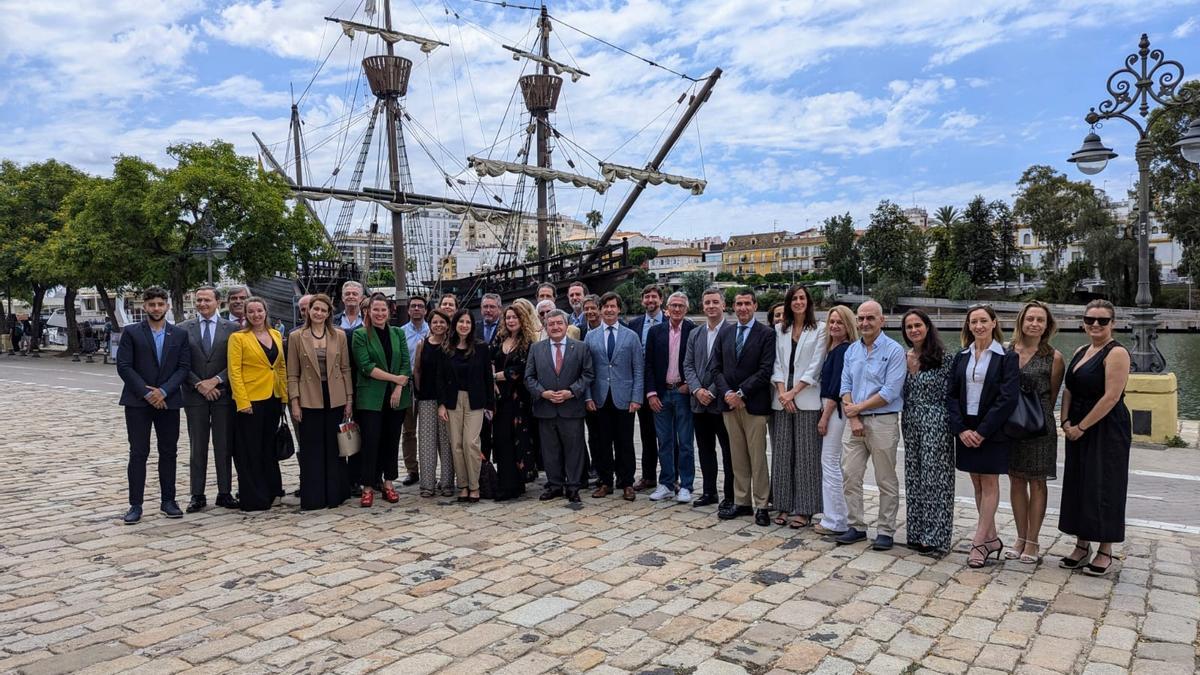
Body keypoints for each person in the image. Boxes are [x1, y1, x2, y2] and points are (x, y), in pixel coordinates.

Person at [1058, 300, 1131, 576]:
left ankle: (1105, 549)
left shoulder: (1117, 353)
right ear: (1083, 323)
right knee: (1080, 483)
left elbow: (1111, 397)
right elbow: (1069, 388)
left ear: (1113, 323)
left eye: (1102, 320)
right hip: (1077, 422)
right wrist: (1065, 421)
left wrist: (1082, 427)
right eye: (1090, 320)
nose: (1095, 325)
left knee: (1104, 484)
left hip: (1106, 426)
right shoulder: (1081, 350)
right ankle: (1081, 544)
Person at [947, 304, 1019, 567]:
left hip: (992, 429)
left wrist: (982, 431)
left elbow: (1008, 398)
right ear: (968, 326)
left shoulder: (1007, 357)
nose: (978, 326)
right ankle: (991, 538)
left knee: (989, 483)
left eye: (983, 321)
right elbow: (951, 395)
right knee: (977, 483)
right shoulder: (961, 356)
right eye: (973, 322)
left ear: (993, 323)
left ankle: (978, 542)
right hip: (966, 427)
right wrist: (961, 429)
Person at [835, 300, 906, 550]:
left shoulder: (895, 351)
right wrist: (854, 416)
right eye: (861, 318)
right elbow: (845, 385)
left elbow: (890, 391)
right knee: (850, 475)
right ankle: (856, 526)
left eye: (870, 318)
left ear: (881, 320)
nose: (865, 323)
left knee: (885, 478)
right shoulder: (851, 351)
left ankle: (885, 530)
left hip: (882, 421)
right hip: (854, 422)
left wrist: (858, 408)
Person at [116, 287, 191, 524]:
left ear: (167, 306)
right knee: (138, 452)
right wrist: (147, 393)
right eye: (152, 304)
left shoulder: (179, 334)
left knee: (169, 452)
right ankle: (135, 504)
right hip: (138, 402)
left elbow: (183, 368)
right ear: (144, 306)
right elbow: (124, 366)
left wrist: (164, 391)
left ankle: (168, 501)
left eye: (160, 304)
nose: (156, 308)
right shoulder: (131, 332)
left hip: (168, 401)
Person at [710, 290, 775, 526]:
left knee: (757, 458)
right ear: (733, 307)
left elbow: (765, 370)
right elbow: (715, 367)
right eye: (739, 304)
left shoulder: (766, 334)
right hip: (729, 404)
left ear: (755, 306)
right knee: (737, 456)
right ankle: (742, 501)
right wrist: (727, 393)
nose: (743, 308)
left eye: (747, 303)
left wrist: (741, 393)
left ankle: (762, 505)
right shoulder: (725, 333)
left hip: (753, 404)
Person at [1007, 301, 1065, 564]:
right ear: (1021, 321)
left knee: (1038, 482)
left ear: (1047, 325)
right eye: (1030, 318)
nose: (1034, 324)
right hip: (1011, 425)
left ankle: (1033, 541)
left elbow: (1052, 395)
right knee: (1016, 480)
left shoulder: (1054, 357)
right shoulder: (1007, 351)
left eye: (1040, 320)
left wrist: (1035, 416)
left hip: (1040, 427)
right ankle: (1020, 537)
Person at [286, 294, 353, 510]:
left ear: (329, 313)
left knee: (334, 447)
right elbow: (292, 373)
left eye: (323, 310)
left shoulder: (339, 335)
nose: (319, 313)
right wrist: (294, 402)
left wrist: (349, 399)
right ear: (309, 311)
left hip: (335, 395)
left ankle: (335, 493)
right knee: (312, 447)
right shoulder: (297, 336)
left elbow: (345, 368)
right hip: (309, 396)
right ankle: (314, 496)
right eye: (316, 309)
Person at [770, 285, 827, 528]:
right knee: (782, 455)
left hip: (807, 398)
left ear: (808, 302)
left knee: (807, 456)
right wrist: (784, 393)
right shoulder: (779, 330)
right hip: (781, 398)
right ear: (788, 302)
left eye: (802, 298)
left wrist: (794, 392)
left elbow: (816, 365)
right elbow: (776, 364)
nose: (798, 302)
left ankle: (805, 509)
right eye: (794, 298)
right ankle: (783, 505)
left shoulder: (820, 329)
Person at [899, 309, 955, 557]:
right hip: (910, 419)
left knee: (935, 479)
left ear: (928, 327)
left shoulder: (943, 358)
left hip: (936, 420)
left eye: (918, 325)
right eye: (909, 326)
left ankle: (935, 536)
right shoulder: (903, 357)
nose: (914, 330)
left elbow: (952, 394)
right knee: (913, 476)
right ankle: (916, 532)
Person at [179, 285, 240, 512]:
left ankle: (224, 492)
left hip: (223, 395)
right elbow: (181, 363)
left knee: (224, 445)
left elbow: (236, 362)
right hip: (195, 396)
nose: (202, 304)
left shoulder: (233, 329)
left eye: (207, 300)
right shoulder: (183, 329)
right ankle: (197, 494)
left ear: (218, 302)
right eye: (199, 300)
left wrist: (216, 380)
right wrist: (199, 384)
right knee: (198, 446)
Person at [526, 309, 594, 502]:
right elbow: (529, 377)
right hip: (545, 408)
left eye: (559, 323)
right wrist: (542, 393)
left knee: (574, 449)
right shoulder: (536, 349)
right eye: (551, 324)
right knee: (550, 451)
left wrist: (571, 392)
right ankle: (555, 485)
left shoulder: (580, 347)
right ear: (546, 327)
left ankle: (573, 486)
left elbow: (588, 374)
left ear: (566, 325)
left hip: (571, 407)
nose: (555, 327)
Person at [228, 296, 288, 512]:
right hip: (251, 399)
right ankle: (254, 496)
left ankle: (274, 490)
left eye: (259, 311)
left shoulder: (276, 334)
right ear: (246, 314)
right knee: (250, 449)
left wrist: (284, 395)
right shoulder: (238, 338)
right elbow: (234, 371)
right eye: (251, 311)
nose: (256, 315)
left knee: (268, 447)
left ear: (265, 312)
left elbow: (280, 366)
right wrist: (242, 400)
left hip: (273, 397)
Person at [352, 293, 411, 507]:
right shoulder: (360, 335)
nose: (379, 313)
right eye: (375, 309)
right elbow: (366, 366)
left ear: (389, 311)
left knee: (391, 440)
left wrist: (398, 387)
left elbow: (405, 363)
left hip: (396, 396)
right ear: (368, 311)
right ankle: (367, 486)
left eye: (383, 309)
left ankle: (388, 482)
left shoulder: (398, 333)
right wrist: (395, 379)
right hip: (371, 397)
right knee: (370, 441)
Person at [584, 292, 644, 500]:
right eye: (605, 306)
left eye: (613, 306)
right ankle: (605, 482)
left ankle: (626, 482)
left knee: (624, 442)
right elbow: (587, 370)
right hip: (600, 397)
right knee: (602, 442)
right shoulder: (591, 336)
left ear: (619, 309)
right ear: (600, 310)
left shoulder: (631, 336)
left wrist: (636, 397)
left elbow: (638, 369)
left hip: (624, 397)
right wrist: (588, 397)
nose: (609, 310)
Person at [644, 292, 697, 502]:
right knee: (664, 441)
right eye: (673, 305)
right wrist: (651, 393)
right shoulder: (655, 332)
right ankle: (666, 482)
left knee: (685, 442)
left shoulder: (693, 331)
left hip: (683, 393)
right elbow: (648, 364)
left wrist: (690, 385)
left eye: (681, 306)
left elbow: (697, 362)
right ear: (667, 308)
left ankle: (686, 485)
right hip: (661, 393)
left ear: (686, 309)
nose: (676, 309)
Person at [684, 288, 733, 509]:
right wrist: (697, 390)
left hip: (721, 402)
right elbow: (688, 365)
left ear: (723, 305)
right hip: (698, 403)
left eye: (715, 302)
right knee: (704, 450)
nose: (711, 306)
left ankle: (730, 495)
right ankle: (709, 491)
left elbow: (729, 368)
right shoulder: (695, 333)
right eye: (707, 303)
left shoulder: (731, 332)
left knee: (728, 451)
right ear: (702, 306)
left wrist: (712, 391)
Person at [437, 309, 494, 502]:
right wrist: (441, 404)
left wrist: (490, 405)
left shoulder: (481, 348)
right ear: (455, 324)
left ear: (472, 325)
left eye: (468, 322)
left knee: (471, 443)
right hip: (452, 401)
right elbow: (440, 379)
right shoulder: (446, 348)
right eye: (461, 321)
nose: (464, 325)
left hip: (475, 400)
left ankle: (475, 485)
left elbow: (488, 377)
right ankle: (463, 485)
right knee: (456, 444)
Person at [814, 305, 856, 536]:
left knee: (829, 463)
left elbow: (835, 387)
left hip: (834, 411)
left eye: (839, 322)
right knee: (833, 463)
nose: (834, 326)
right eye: (831, 322)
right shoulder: (835, 348)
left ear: (848, 325)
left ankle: (836, 519)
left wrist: (825, 417)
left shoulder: (843, 351)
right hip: (833, 409)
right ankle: (837, 515)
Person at [493, 304, 538, 500]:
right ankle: (506, 482)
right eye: (508, 317)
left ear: (522, 320)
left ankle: (517, 483)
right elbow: (489, 360)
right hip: (499, 398)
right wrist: (492, 379)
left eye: (515, 317)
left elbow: (521, 370)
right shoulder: (499, 339)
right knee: (501, 439)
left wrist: (497, 376)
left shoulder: (528, 343)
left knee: (519, 439)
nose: (511, 321)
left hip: (519, 399)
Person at [626, 284, 664, 492]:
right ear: (642, 301)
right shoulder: (634, 324)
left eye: (654, 297)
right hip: (642, 387)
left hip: (665, 386)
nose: (650, 300)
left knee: (668, 435)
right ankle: (648, 476)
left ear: (661, 300)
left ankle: (671, 476)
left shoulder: (670, 321)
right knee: (647, 433)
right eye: (647, 297)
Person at [413, 310, 454, 497]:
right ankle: (427, 485)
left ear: (447, 324)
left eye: (442, 322)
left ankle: (447, 483)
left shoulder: (451, 344)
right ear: (429, 324)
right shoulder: (422, 344)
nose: (438, 325)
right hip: (427, 398)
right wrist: (419, 391)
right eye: (435, 322)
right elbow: (417, 370)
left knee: (446, 442)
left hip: (447, 399)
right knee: (426, 442)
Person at [399, 296, 429, 487]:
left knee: (429, 431)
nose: (417, 309)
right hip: (408, 384)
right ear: (408, 310)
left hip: (428, 385)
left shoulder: (433, 330)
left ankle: (429, 469)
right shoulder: (400, 333)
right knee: (409, 430)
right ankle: (412, 469)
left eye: (420, 306)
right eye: (413, 306)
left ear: (426, 310)